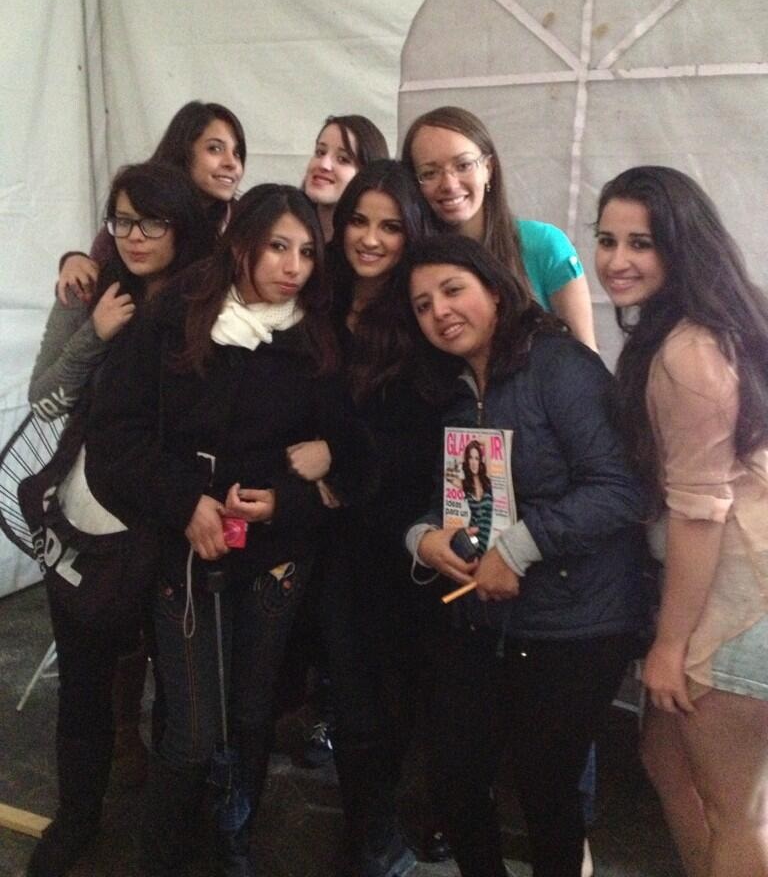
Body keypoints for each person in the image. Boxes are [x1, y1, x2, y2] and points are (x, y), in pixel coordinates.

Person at [84, 185, 374, 877]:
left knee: (251, 713)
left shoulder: (318, 338)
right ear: (240, 242)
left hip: (277, 559)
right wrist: (186, 503)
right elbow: (114, 438)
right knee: (190, 730)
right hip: (185, 556)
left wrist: (285, 501)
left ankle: (232, 844)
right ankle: (163, 857)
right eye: (277, 246)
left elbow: (353, 463)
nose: (293, 267)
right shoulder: (175, 318)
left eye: (307, 252)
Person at [403, 233, 648, 877]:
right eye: (423, 305)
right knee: (455, 778)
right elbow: (451, 501)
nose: (439, 312)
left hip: (578, 621)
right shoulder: (455, 388)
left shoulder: (560, 366)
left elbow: (622, 488)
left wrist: (517, 548)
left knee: (545, 789)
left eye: (452, 290)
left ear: (495, 289)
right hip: (490, 619)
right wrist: (423, 538)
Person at [24, 162, 213, 877]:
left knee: (176, 686)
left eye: (151, 221)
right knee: (84, 683)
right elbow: (44, 399)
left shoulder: (208, 304)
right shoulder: (90, 291)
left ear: (181, 226)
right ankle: (77, 817)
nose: (135, 236)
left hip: (172, 523)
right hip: (88, 519)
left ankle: (168, 830)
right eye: (123, 220)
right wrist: (95, 333)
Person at [594, 166, 768, 877]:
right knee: (665, 759)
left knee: (735, 810)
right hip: (727, 590)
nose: (617, 260)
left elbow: (700, 517)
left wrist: (669, 647)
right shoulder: (705, 329)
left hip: (738, 605)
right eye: (607, 239)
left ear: (681, 245)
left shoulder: (689, 353)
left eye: (641, 242)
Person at [289, 159, 437, 876]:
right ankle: (367, 830)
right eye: (358, 221)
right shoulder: (317, 300)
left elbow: (428, 441)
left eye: (389, 226)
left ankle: (375, 832)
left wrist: (342, 460)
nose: (370, 239)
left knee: (377, 693)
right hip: (313, 529)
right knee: (341, 689)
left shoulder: (420, 315)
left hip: (389, 539)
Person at [401, 105, 597, 350]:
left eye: (463, 165)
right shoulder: (413, 266)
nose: (449, 184)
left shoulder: (544, 244)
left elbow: (587, 356)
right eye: (430, 173)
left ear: (488, 168)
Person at [57, 100, 246, 302]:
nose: (231, 163)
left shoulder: (243, 225)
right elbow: (93, 278)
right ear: (183, 150)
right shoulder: (128, 212)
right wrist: (74, 261)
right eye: (215, 149)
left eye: (237, 153)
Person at [301, 114, 388, 240]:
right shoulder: (283, 224)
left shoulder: (370, 245)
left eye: (343, 159)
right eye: (320, 152)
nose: (323, 164)